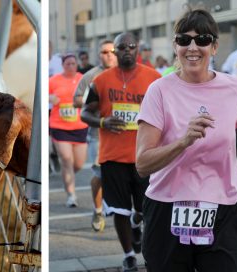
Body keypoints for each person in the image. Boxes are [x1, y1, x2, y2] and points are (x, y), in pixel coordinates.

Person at [135, 9, 237, 271]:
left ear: (214, 47)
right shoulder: (159, 91)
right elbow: (143, 163)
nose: (192, 47)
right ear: (175, 46)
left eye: (202, 40)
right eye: (184, 40)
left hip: (224, 206)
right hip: (167, 206)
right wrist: (183, 141)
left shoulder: (235, 88)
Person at [81, 32, 161, 272]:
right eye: (121, 47)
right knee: (119, 210)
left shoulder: (154, 78)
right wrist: (103, 122)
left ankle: (138, 225)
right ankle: (128, 255)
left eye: (131, 46)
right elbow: (85, 112)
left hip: (144, 156)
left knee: (146, 209)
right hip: (112, 156)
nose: (127, 50)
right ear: (114, 52)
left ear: (137, 50)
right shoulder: (101, 81)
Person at [73, 40, 117, 231]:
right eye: (104, 52)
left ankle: (132, 213)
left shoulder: (126, 73)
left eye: (112, 51)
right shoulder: (91, 76)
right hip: (98, 133)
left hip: (126, 133)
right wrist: (94, 103)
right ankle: (98, 210)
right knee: (100, 175)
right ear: (99, 55)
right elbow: (76, 100)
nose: (108, 55)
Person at [49, 54, 87, 207]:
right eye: (68, 64)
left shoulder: (83, 79)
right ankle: (71, 195)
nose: (71, 66)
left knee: (78, 164)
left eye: (73, 63)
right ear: (63, 65)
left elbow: (92, 96)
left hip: (79, 126)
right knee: (66, 159)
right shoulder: (54, 80)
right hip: (60, 126)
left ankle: (67, 173)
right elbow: (43, 93)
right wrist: (50, 97)